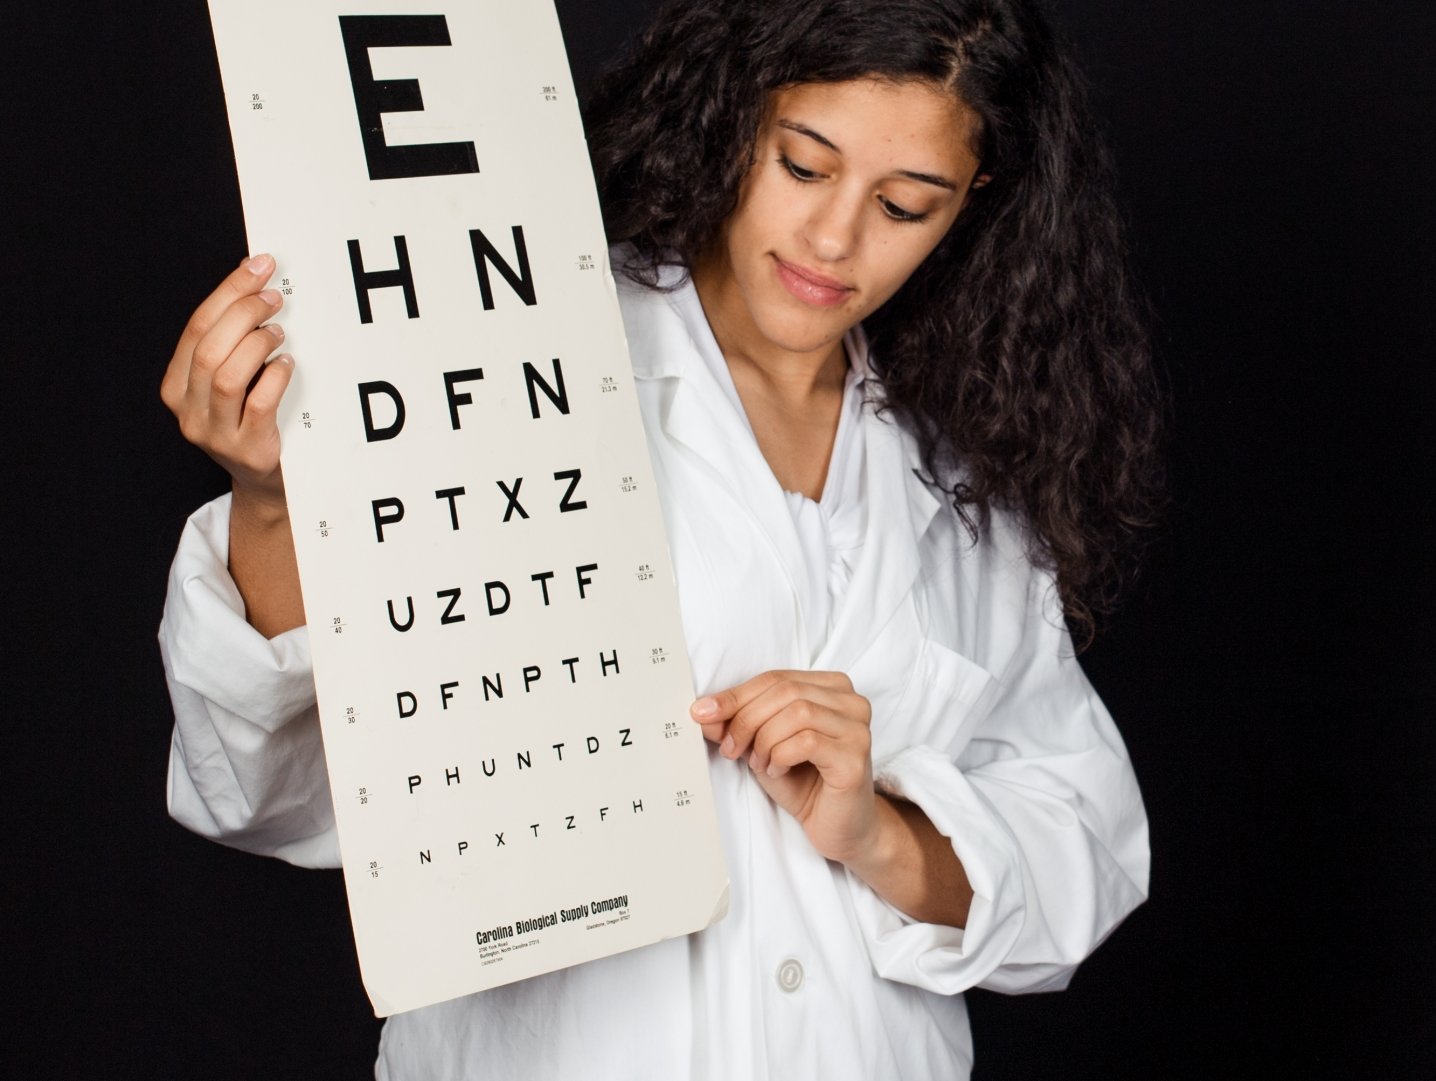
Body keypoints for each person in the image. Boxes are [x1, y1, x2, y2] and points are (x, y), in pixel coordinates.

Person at [155, 1, 1161, 1077]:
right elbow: (282, 794)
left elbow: (1082, 844)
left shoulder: (958, 466)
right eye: (803, 165)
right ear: (736, 115)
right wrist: (272, 501)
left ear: (975, 201)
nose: (835, 239)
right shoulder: (510, 356)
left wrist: (880, 834)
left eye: (905, 204)